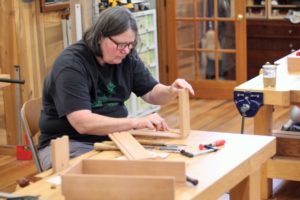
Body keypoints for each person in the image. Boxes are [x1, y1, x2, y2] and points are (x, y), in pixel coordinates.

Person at [38, 6, 194, 170]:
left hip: (114, 138)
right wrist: (135, 122)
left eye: (130, 44)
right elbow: (82, 123)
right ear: (100, 37)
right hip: (71, 142)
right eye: (120, 44)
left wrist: (170, 90)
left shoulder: (127, 56)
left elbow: (151, 93)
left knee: (157, 168)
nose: (126, 50)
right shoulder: (71, 65)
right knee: (103, 183)